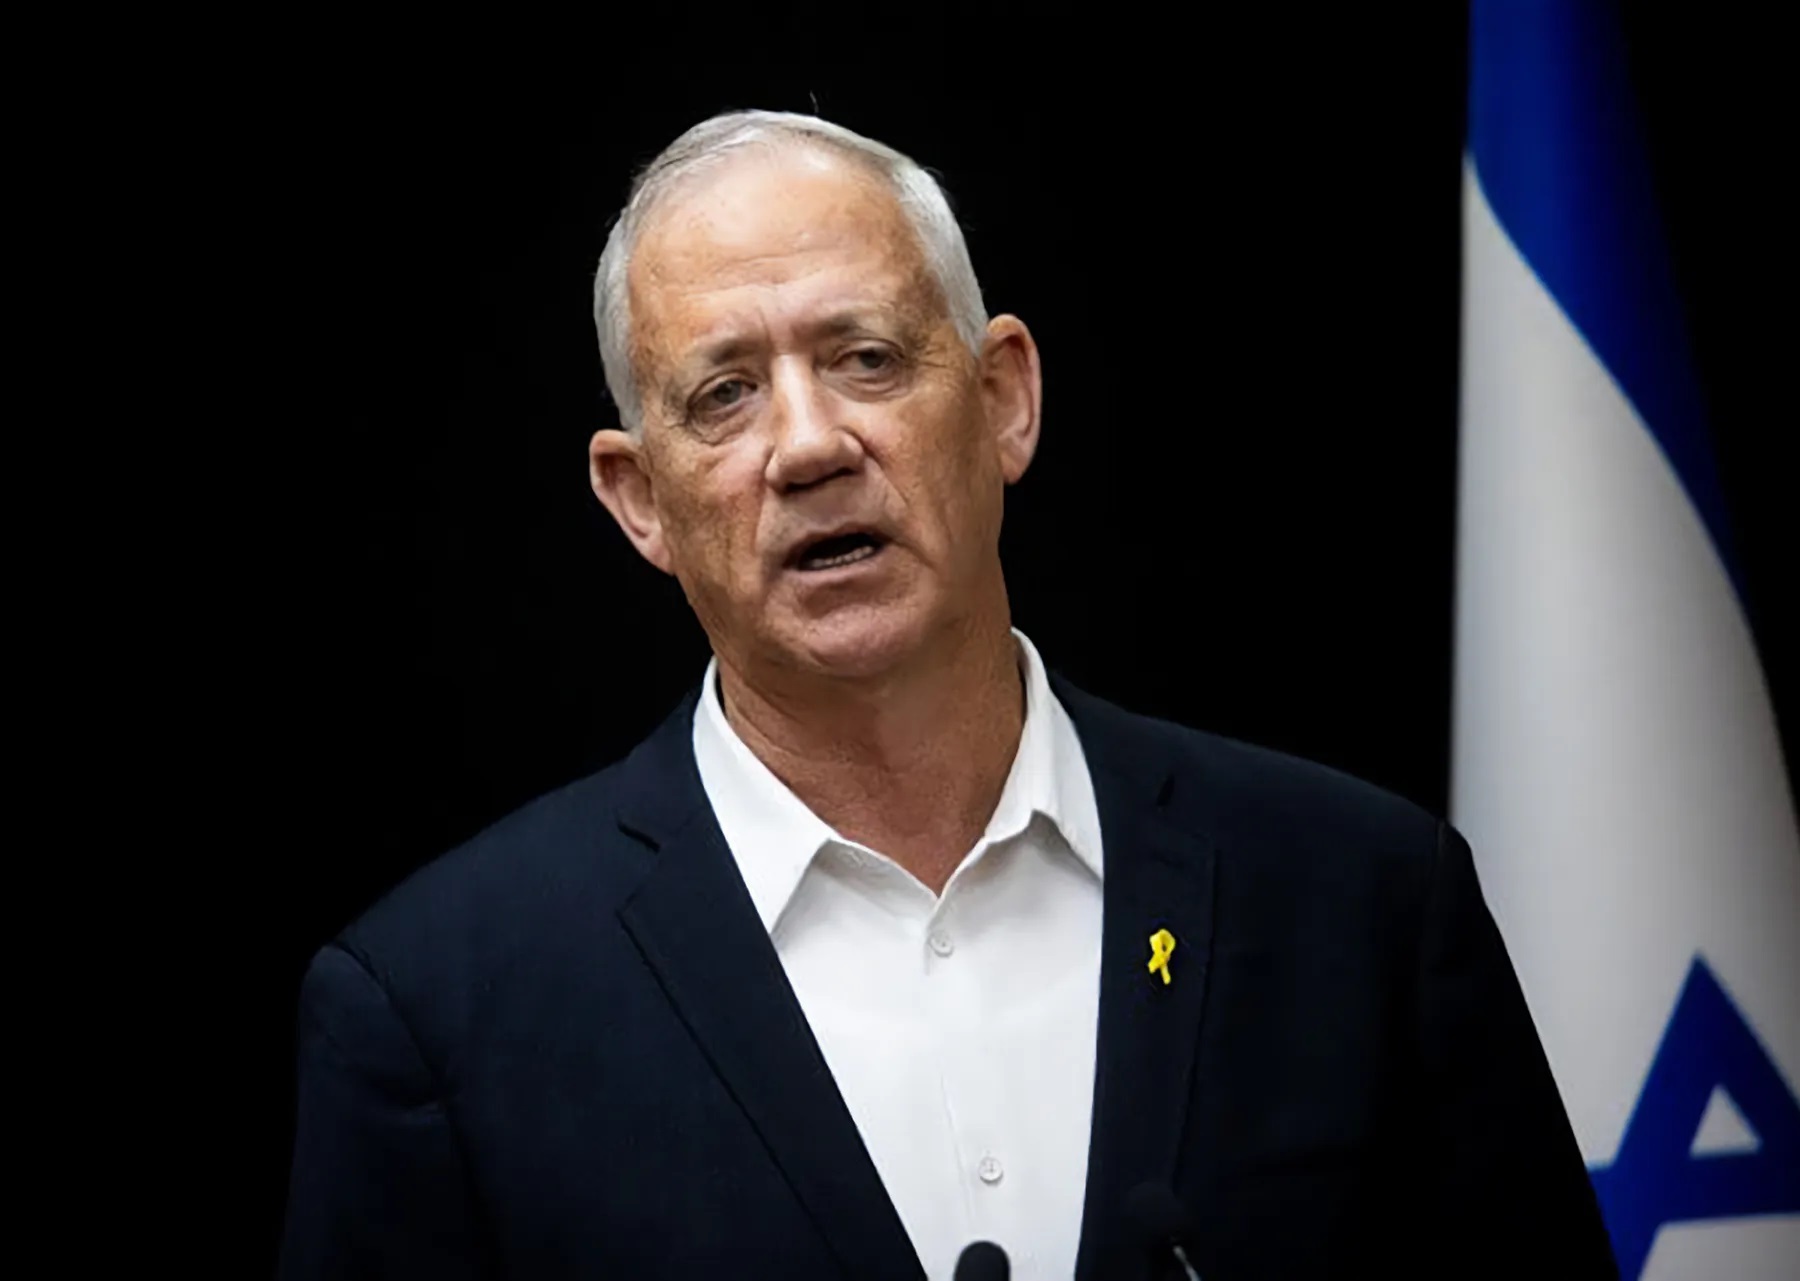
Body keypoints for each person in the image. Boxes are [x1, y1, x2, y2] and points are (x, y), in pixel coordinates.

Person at [277, 111, 1617, 1280]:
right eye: (725, 395)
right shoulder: (438, 1010)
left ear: (1004, 401)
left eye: (865, 357)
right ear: (640, 501)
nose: (809, 445)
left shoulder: (1358, 897)